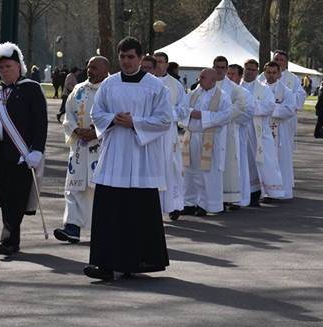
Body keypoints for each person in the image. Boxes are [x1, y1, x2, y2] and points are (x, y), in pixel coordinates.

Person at [84, 36, 172, 281]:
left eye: (131, 57)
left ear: (141, 58)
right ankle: (105, 264)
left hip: (140, 154)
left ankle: (138, 260)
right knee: (109, 212)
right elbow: (96, 112)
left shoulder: (155, 87)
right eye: (122, 57)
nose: (126, 61)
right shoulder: (109, 84)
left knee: (137, 211)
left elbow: (165, 119)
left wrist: (136, 122)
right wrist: (112, 119)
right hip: (114, 154)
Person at [0, 42, 48, 256]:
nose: (4, 71)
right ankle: (10, 236)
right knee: (6, 197)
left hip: (22, 154)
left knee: (16, 197)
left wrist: (37, 150)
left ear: (19, 66)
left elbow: (40, 123)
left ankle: (9, 239)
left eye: (8, 66)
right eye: (0, 67)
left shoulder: (31, 89)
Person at [55, 55, 109, 243]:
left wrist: (96, 132)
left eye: (94, 67)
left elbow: (115, 114)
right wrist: (76, 129)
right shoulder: (78, 89)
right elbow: (68, 114)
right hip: (79, 147)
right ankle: (72, 227)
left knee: (97, 189)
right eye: (88, 66)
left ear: (104, 69)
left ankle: (101, 230)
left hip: (101, 147)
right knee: (73, 187)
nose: (89, 70)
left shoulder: (111, 88)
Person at [182, 68, 232, 216]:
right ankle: (189, 203)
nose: (199, 79)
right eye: (200, 77)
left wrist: (202, 115)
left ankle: (207, 204)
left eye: (203, 77)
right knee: (189, 171)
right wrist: (189, 114)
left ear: (213, 80)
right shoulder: (192, 94)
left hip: (209, 138)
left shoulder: (222, 97)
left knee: (208, 172)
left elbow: (226, 115)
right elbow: (181, 110)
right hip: (191, 136)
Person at [241, 59, 285, 203]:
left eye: (253, 70)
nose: (250, 72)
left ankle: (268, 191)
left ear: (257, 71)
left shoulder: (263, 89)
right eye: (248, 69)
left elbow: (269, 106)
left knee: (264, 161)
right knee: (244, 162)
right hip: (241, 130)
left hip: (258, 131)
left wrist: (248, 107)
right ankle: (247, 193)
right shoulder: (237, 86)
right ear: (244, 69)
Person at [213, 56, 253, 209]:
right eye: (218, 67)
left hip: (230, 132)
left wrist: (224, 117)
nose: (221, 71)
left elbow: (246, 111)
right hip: (210, 132)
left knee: (232, 165)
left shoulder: (236, 90)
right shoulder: (207, 84)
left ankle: (232, 197)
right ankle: (212, 197)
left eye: (224, 68)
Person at [153, 51, 188, 219]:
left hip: (168, 134)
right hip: (150, 133)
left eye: (161, 61)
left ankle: (173, 205)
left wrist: (167, 115)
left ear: (167, 64)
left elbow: (183, 109)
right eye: (156, 61)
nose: (158, 64)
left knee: (171, 167)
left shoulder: (175, 85)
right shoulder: (147, 83)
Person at [264, 60, 298, 201]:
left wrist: (270, 109)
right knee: (266, 160)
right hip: (263, 130)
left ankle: (281, 190)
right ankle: (265, 191)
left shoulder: (286, 91)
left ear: (279, 74)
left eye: (274, 73)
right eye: (268, 72)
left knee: (281, 160)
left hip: (280, 130)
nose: (271, 75)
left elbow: (290, 109)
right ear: (264, 73)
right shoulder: (260, 89)